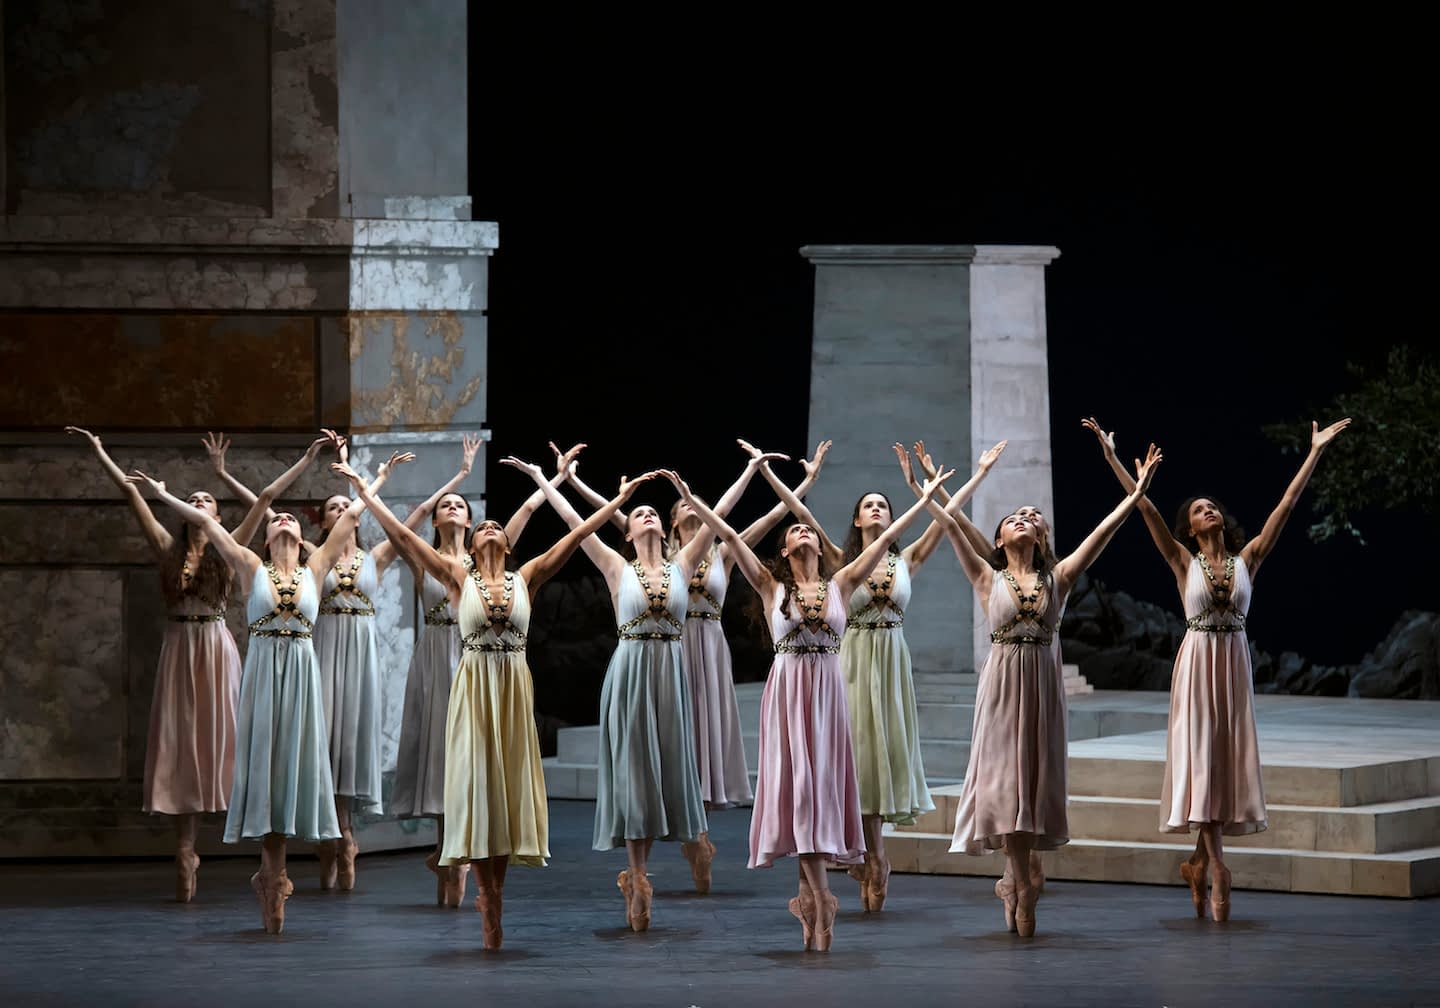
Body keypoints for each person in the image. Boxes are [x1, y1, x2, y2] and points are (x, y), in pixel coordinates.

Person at [334, 455, 652, 949]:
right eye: (481, 526)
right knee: (479, 790)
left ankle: (496, 891)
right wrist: (366, 492)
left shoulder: (528, 576)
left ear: (506, 542)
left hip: (513, 690)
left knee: (505, 795)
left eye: (494, 527)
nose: (487, 529)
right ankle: (486, 894)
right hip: (474, 689)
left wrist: (618, 502)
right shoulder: (455, 577)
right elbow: (402, 536)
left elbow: (575, 538)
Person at [659, 454, 954, 951]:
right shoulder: (770, 584)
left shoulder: (842, 583)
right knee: (798, 792)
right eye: (795, 531)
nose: (803, 532)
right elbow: (727, 534)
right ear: (785, 548)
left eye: (809, 531)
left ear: (820, 545)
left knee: (820, 791)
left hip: (830, 696)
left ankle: (812, 895)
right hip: (789, 694)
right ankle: (818, 895)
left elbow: (887, 538)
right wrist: (695, 499)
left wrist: (924, 498)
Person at [1083, 416, 1351, 922]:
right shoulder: (1183, 562)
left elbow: (1287, 505)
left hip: (1233, 664)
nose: (1208, 511)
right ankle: (1220, 868)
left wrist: (1314, 452)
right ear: (1190, 528)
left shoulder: (1248, 559)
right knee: (1203, 758)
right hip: (1198, 663)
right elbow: (1144, 507)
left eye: (1212, 507)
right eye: (1198, 510)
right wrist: (1113, 459)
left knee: (1224, 763)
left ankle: (1198, 863)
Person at [556, 437, 832, 893]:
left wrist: (771, 476)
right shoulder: (646, 562)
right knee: (650, 754)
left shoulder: (708, 553)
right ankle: (661, 858)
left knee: (697, 744)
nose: (690, 507)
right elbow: (590, 521)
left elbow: (749, 518)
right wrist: (565, 481)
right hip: (664, 652)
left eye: (695, 505)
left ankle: (696, 839)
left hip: (703, 650)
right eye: (681, 505)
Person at [66, 426, 327, 903]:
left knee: (228, 742)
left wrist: (308, 458)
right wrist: (100, 449)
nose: (200, 502)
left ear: (217, 515)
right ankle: (185, 851)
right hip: (178, 647)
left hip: (215, 646)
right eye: (194, 499)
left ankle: (266, 857)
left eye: (207, 499)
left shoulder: (232, 546)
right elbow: (132, 493)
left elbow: (267, 497)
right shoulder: (168, 544)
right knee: (181, 744)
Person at [750, 439, 1005, 913]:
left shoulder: (907, 559)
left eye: (883, 505)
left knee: (885, 755)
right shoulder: (839, 562)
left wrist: (975, 475)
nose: (876, 510)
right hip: (847, 662)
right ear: (856, 519)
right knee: (858, 757)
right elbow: (797, 513)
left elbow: (945, 517)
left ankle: (877, 853)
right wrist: (786, 478)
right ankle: (867, 853)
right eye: (868, 505)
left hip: (891, 661)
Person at [126, 432, 363, 934]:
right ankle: (272, 876)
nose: (283, 519)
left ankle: (276, 873)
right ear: (266, 535)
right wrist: (163, 494)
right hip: (263, 675)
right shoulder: (249, 563)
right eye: (277, 518)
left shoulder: (317, 566)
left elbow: (353, 515)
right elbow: (209, 523)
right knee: (266, 768)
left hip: (301, 676)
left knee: (294, 766)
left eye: (291, 518)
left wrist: (352, 469)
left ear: (302, 535)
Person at [927, 439, 1162, 937]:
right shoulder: (987, 577)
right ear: (998, 539)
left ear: (1039, 535)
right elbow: (950, 524)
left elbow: (1103, 533)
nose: (1021, 521)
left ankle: (1019, 874)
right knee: (1004, 779)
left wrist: (1135, 492)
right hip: (1002, 683)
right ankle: (1018, 876)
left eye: (1027, 519)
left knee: (1032, 778)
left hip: (1040, 681)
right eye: (1011, 519)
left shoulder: (1058, 577)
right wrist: (937, 485)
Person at [387, 439, 582, 908]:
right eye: (446, 506)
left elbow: (527, 515)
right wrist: (454, 478)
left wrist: (555, 478)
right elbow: (401, 534)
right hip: (440, 657)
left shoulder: (487, 563)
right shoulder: (433, 562)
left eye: (461, 503)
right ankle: (448, 849)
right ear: (437, 518)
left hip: (485, 660)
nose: (454, 508)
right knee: (442, 756)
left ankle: (464, 860)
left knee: (481, 760)